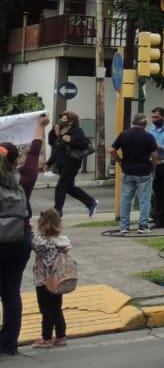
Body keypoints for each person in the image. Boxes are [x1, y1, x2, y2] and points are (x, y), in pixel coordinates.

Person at [0, 116, 46, 355]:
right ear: (14, 159)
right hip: (19, 241)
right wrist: (40, 127)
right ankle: (8, 343)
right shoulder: (23, 181)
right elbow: (35, 153)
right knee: (11, 293)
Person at [31, 208, 73, 348]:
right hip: (58, 280)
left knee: (45, 310)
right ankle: (61, 336)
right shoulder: (62, 242)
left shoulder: (43, 243)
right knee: (56, 308)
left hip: (44, 281)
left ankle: (46, 337)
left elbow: (33, 242)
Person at [112, 113, 157, 234]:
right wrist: (153, 168)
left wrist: (120, 162)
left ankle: (124, 226)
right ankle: (142, 226)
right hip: (144, 172)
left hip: (127, 171)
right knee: (144, 200)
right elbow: (154, 155)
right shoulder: (148, 136)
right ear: (145, 123)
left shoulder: (124, 135)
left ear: (133, 122)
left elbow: (112, 150)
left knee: (126, 199)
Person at [47, 111, 96, 218]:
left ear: (71, 121)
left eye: (64, 119)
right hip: (62, 165)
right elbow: (54, 146)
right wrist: (49, 163)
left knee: (60, 187)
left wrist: (70, 140)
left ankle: (57, 211)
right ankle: (91, 202)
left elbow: (84, 144)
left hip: (72, 163)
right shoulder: (61, 131)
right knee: (69, 188)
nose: (61, 121)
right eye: (61, 119)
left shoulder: (76, 131)